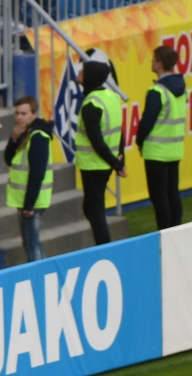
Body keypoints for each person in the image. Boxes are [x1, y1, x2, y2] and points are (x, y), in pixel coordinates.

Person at [75, 56, 124, 246]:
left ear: (90, 77)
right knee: (91, 208)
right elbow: (119, 130)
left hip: (94, 164)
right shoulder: (112, 97)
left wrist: (116, 163)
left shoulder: (91, 105)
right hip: (104, 163)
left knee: (94, 210)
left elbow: (96, 141)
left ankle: (105, 249)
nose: (79, 72)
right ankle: (103, 246)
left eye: (83, 70)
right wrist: (119, 160)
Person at [135, 45, 185, 229]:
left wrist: (139, 140)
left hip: (156, 153)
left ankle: (164, 233)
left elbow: (147, 121)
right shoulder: (181, 88)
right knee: (173, 194)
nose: (151, 61)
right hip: (174, 150)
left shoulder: (157, 92)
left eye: (154, 59)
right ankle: (176, 230)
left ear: (160, 64)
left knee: (159, 197)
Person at [3, 95, 51, 263]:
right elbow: (9, 159)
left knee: (31, 246)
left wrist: (29, 204)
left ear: (34, 113)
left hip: (32, 201)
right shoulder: (25, 133)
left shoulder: (37, 136)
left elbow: (37, 173)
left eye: (24, 114)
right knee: (32, 244)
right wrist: (14, 139)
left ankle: (39, 276)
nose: (19, 117)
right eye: (17, 113)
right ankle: (46, 274)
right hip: (26, 199)